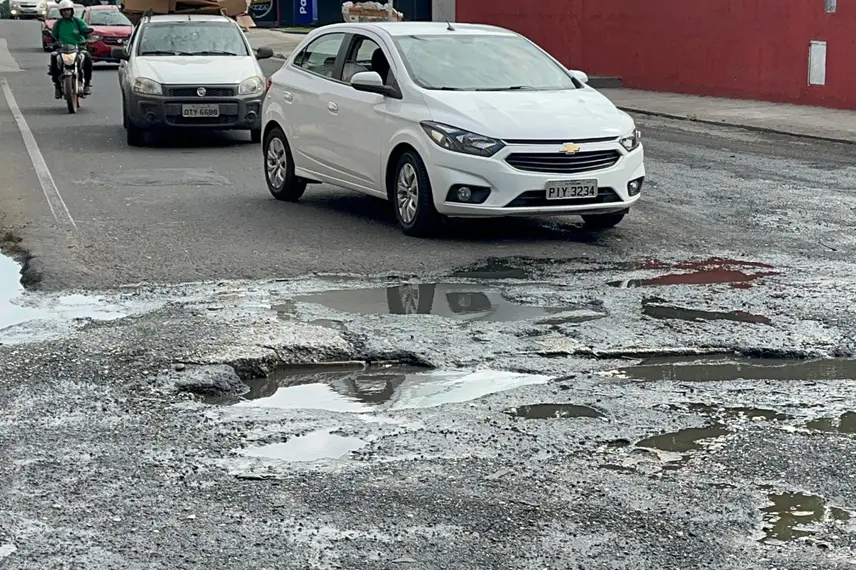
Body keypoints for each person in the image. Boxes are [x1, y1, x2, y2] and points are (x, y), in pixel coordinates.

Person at [49, 0, 93, 99]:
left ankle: (87, 85)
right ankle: (57, 86)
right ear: (61, 12)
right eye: (64, 10)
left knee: (87, 58)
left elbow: (88, 33)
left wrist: (88, 40)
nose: (66, 12)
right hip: (63, 49)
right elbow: (53, 36)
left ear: (72, 11)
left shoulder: (78, 22)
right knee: (54, 57)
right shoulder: (58, 23)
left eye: (68, 10)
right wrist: (54, 42)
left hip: (78, 48)